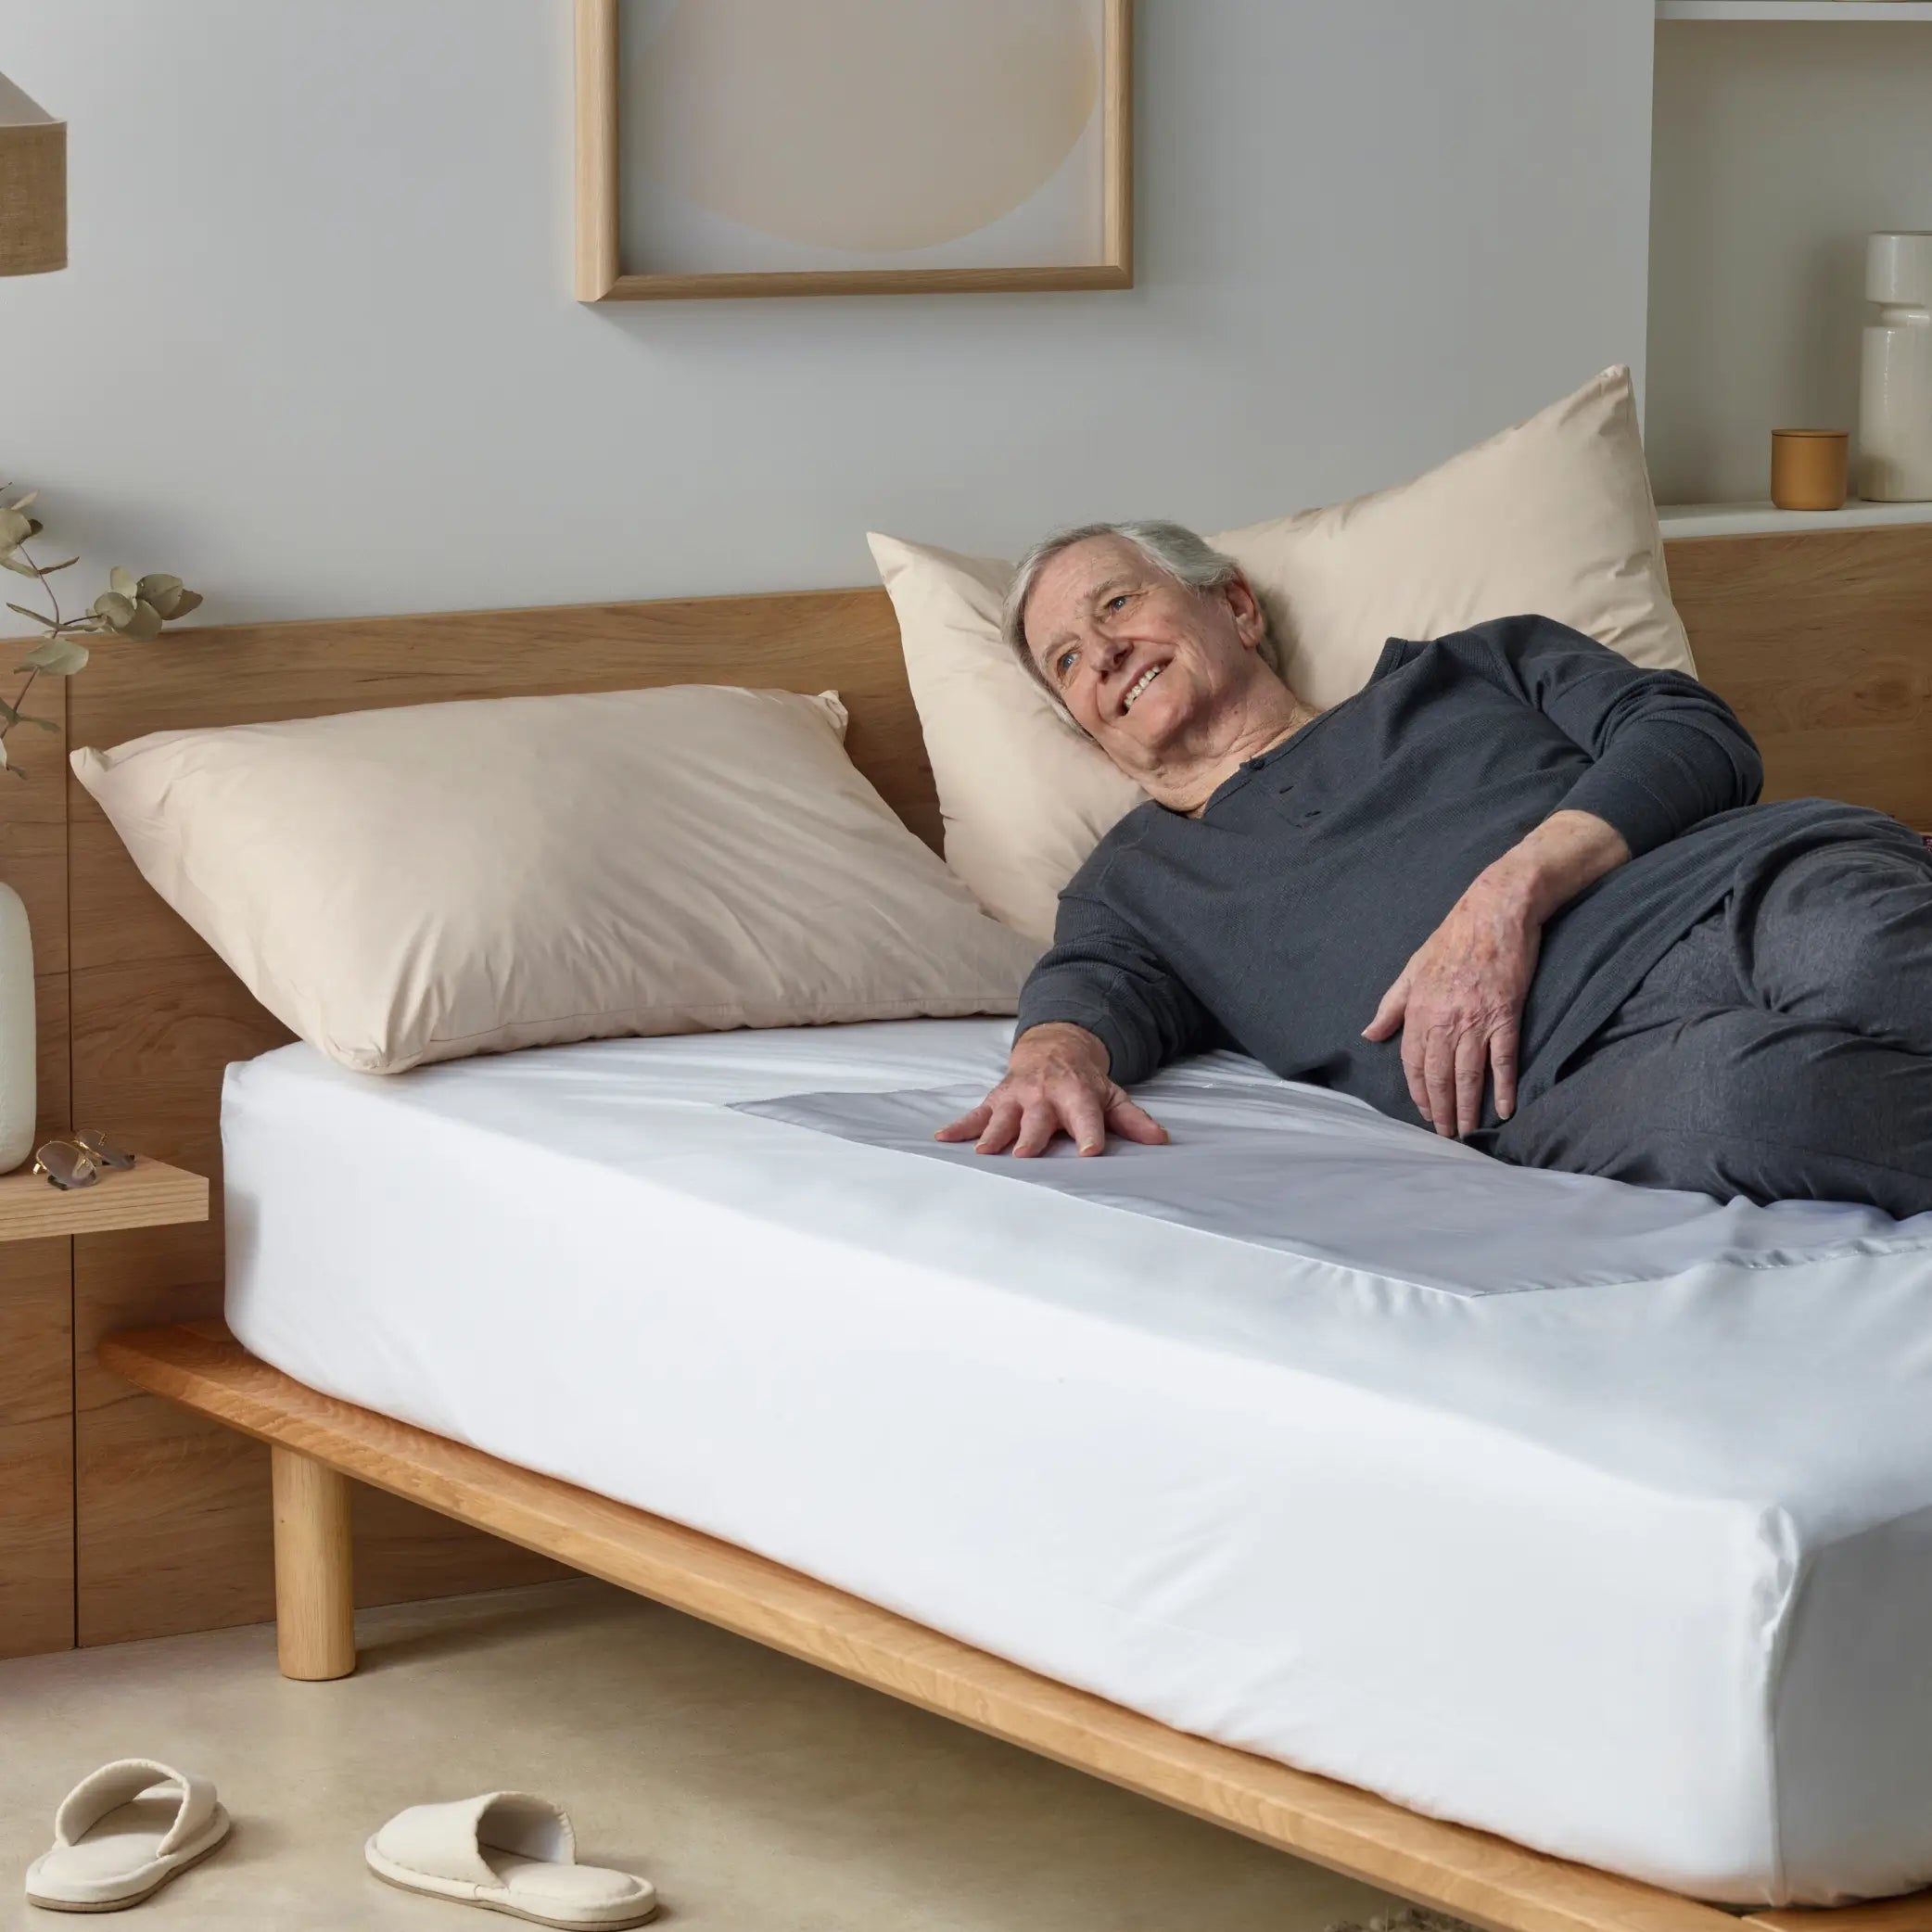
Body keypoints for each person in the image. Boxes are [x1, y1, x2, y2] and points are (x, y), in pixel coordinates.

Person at [936, 520, 1932, 1218]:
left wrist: (1509, 890)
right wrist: (1051, 1056)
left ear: (1233, 605)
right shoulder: (1136, 883)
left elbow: (1691, 735)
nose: (1102, 654)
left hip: (1727, 891)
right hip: (1561, 1078)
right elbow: (1090, 984)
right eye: (1065, 660)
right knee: (1747, 1110)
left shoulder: (1465, 667)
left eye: (1117, 603)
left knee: (1853, 950)